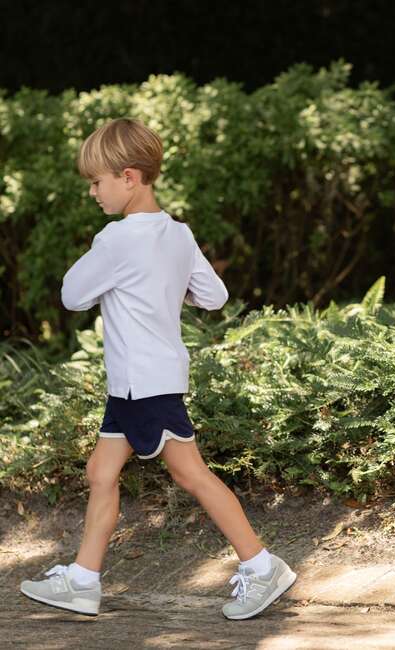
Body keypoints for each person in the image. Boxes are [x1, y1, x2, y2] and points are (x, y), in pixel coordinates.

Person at [20, 118, 296, 618]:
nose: (93, 192)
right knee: (101, 470)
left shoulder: (118, 238)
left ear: (129, 177)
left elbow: (72, 294)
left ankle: (261, 565)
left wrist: (129, 276)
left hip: (143, 384)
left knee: (191, 474)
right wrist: (165, 284)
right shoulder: (178, 233)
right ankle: (83, 580)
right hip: (135, 384)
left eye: (97, 182)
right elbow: (215, 296)